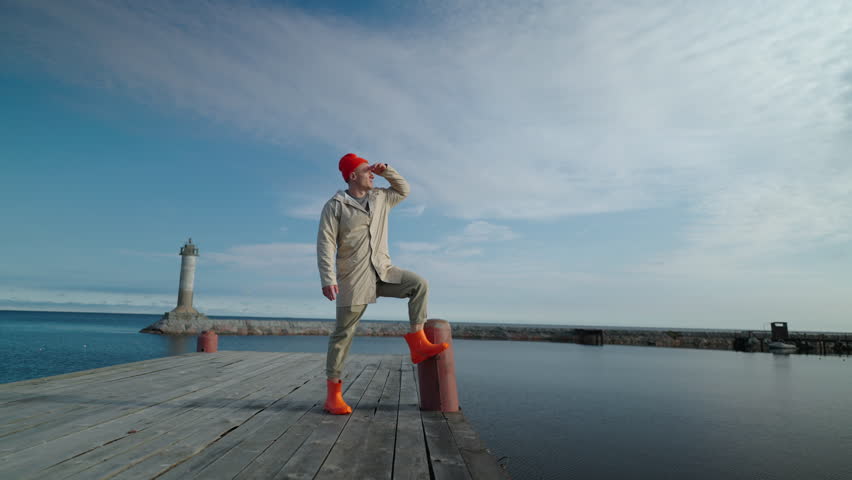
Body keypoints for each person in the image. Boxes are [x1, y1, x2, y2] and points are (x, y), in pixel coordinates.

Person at [316, 153, 448, 415]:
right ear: (352, 175)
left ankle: (418, 342)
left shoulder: (381, 198)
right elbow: (325, 243)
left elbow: (404, 189)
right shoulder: (335, 205)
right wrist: (328, 279)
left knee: (418, 285)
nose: (372, 174)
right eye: (367, 171)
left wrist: (387, 170)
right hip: (353, 279)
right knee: (343, 335)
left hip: (383, 272)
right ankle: (333, 396)